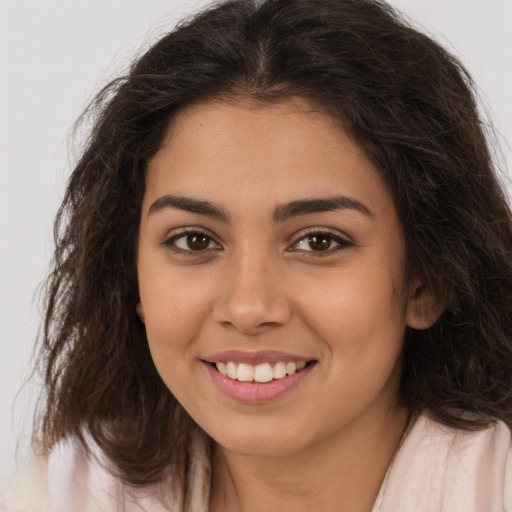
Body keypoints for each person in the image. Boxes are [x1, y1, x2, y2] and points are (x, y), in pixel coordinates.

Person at [2, 0, 512, 510]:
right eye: (194, 240)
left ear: (428, 281)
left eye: (318, 241)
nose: (247, 308)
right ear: (132, 277)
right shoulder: (54, 498)